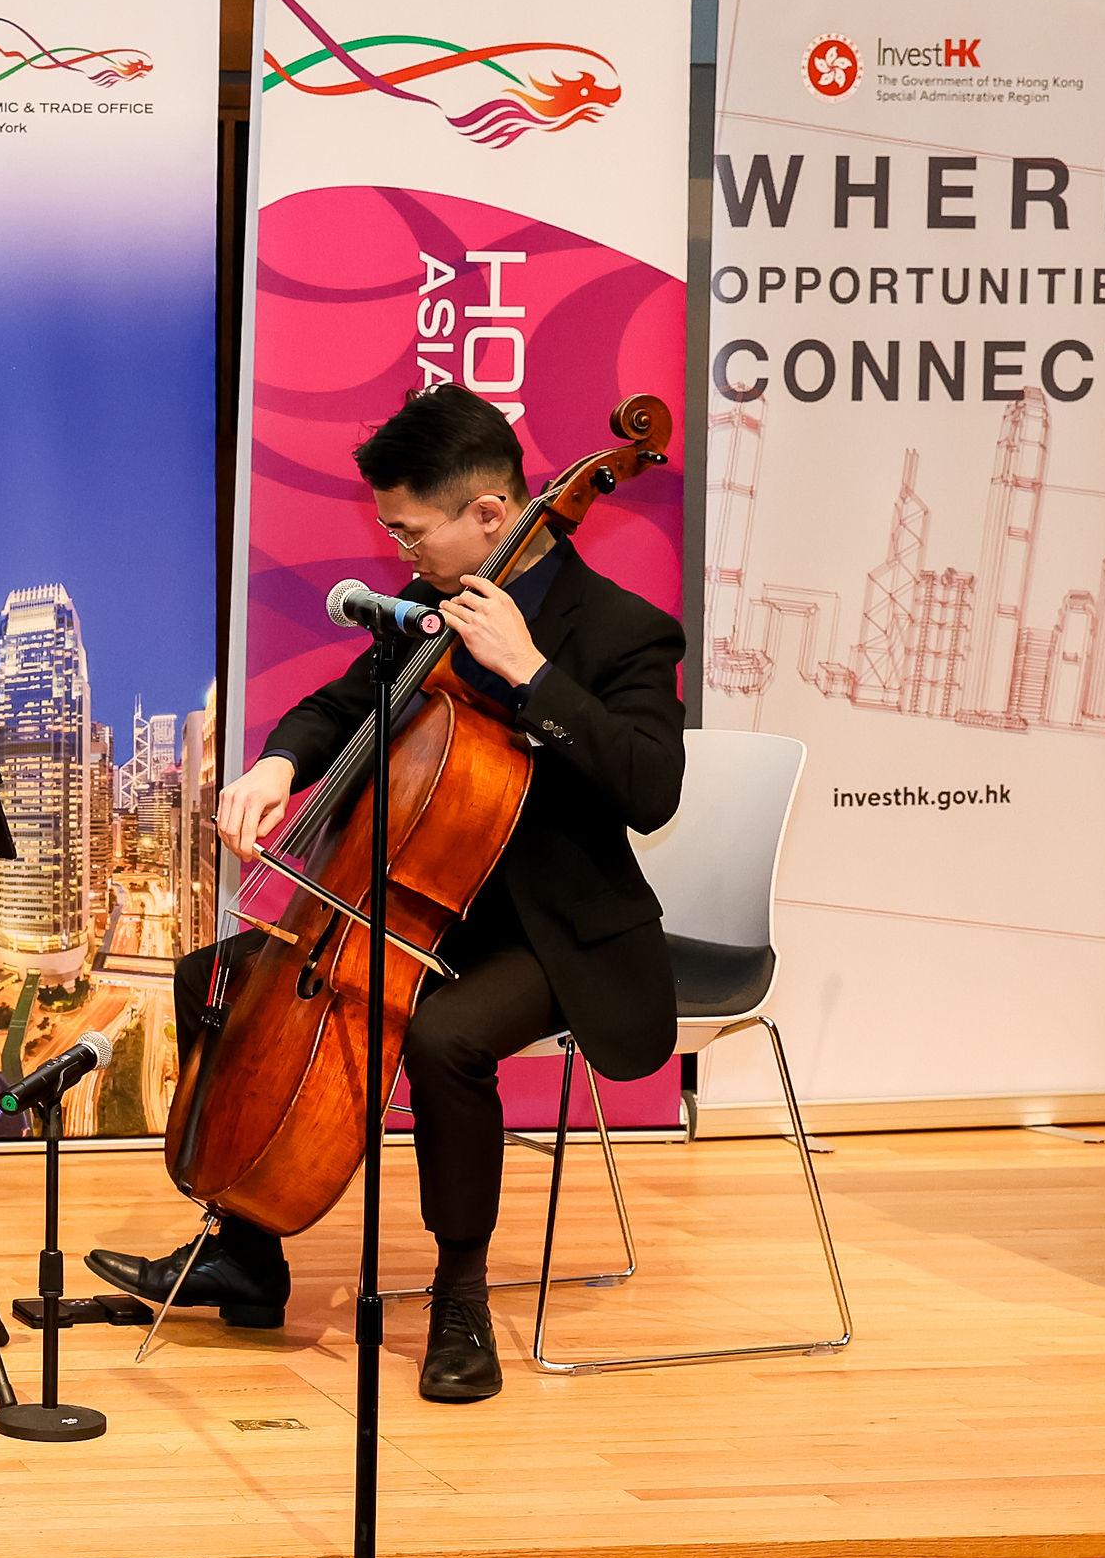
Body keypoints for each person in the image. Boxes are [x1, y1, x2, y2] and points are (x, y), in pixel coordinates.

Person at [91, 383, 684, 1402]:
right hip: (415, 909)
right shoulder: (438, 614)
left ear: (489, 516)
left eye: (410, 529)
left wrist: (533, 673)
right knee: (211, 978)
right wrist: (279, 766)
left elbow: (651, 788)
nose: (399, 549)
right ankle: (246, 1259)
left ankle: (461, 1296)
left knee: (445, 1038)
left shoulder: (623, 631)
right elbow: (335, 706)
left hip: (548, 932)